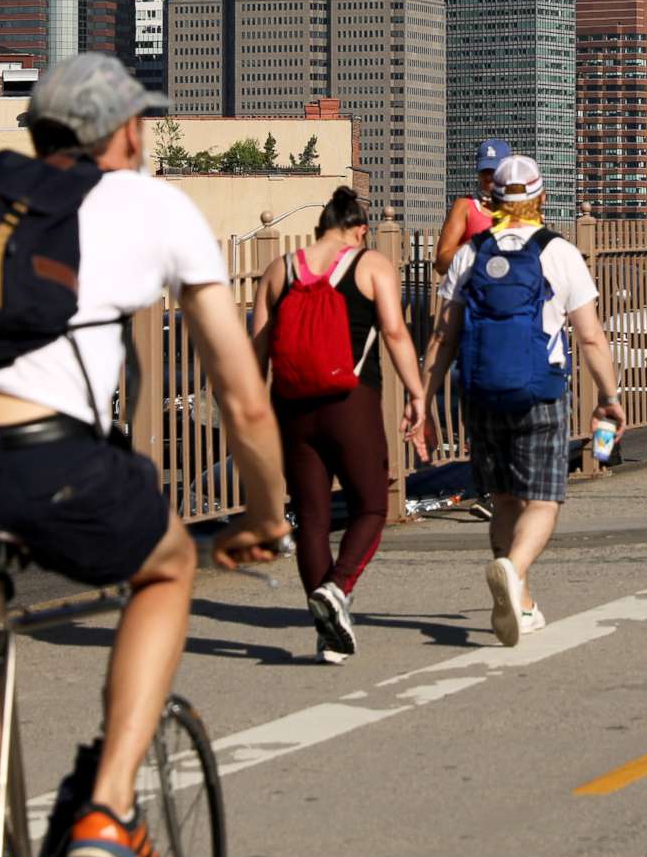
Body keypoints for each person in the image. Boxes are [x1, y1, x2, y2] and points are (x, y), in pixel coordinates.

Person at [0, 54, 290, 857]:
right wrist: (263, 516)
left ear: (41, 136)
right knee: (168, 565)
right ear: (129, 132)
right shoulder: (152, 204)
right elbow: (243, 397)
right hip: (40, 459)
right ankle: (106, 809)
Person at [419, 154, 625, 646]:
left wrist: (423, 401)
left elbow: (442, 337)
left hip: (482, 392)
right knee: (545, 499)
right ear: (540, 198)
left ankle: (523, 601)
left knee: (505, 497)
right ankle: (514, 568)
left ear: (492, 199)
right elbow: (591, 337)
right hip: (541, 391)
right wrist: (609, 396)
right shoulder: (558, 252)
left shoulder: (471, 253)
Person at [249, 187, 428, 663]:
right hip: (351, 402)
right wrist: (417, 395)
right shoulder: (371, 266)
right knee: (372, 505)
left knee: (311, 517)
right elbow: (394, 333)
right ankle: (338, 586)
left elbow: (258, 351)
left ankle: (327, 630)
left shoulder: (278, 270)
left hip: (292, 407)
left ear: (320, 227)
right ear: (360, 229)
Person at [435, 138, 509, 274]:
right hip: (473, 290)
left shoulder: (520, 208)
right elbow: (441, 264)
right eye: (485, 171)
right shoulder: (465, 206)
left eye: (494, 171)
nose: (489, 177)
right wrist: (479, 242)